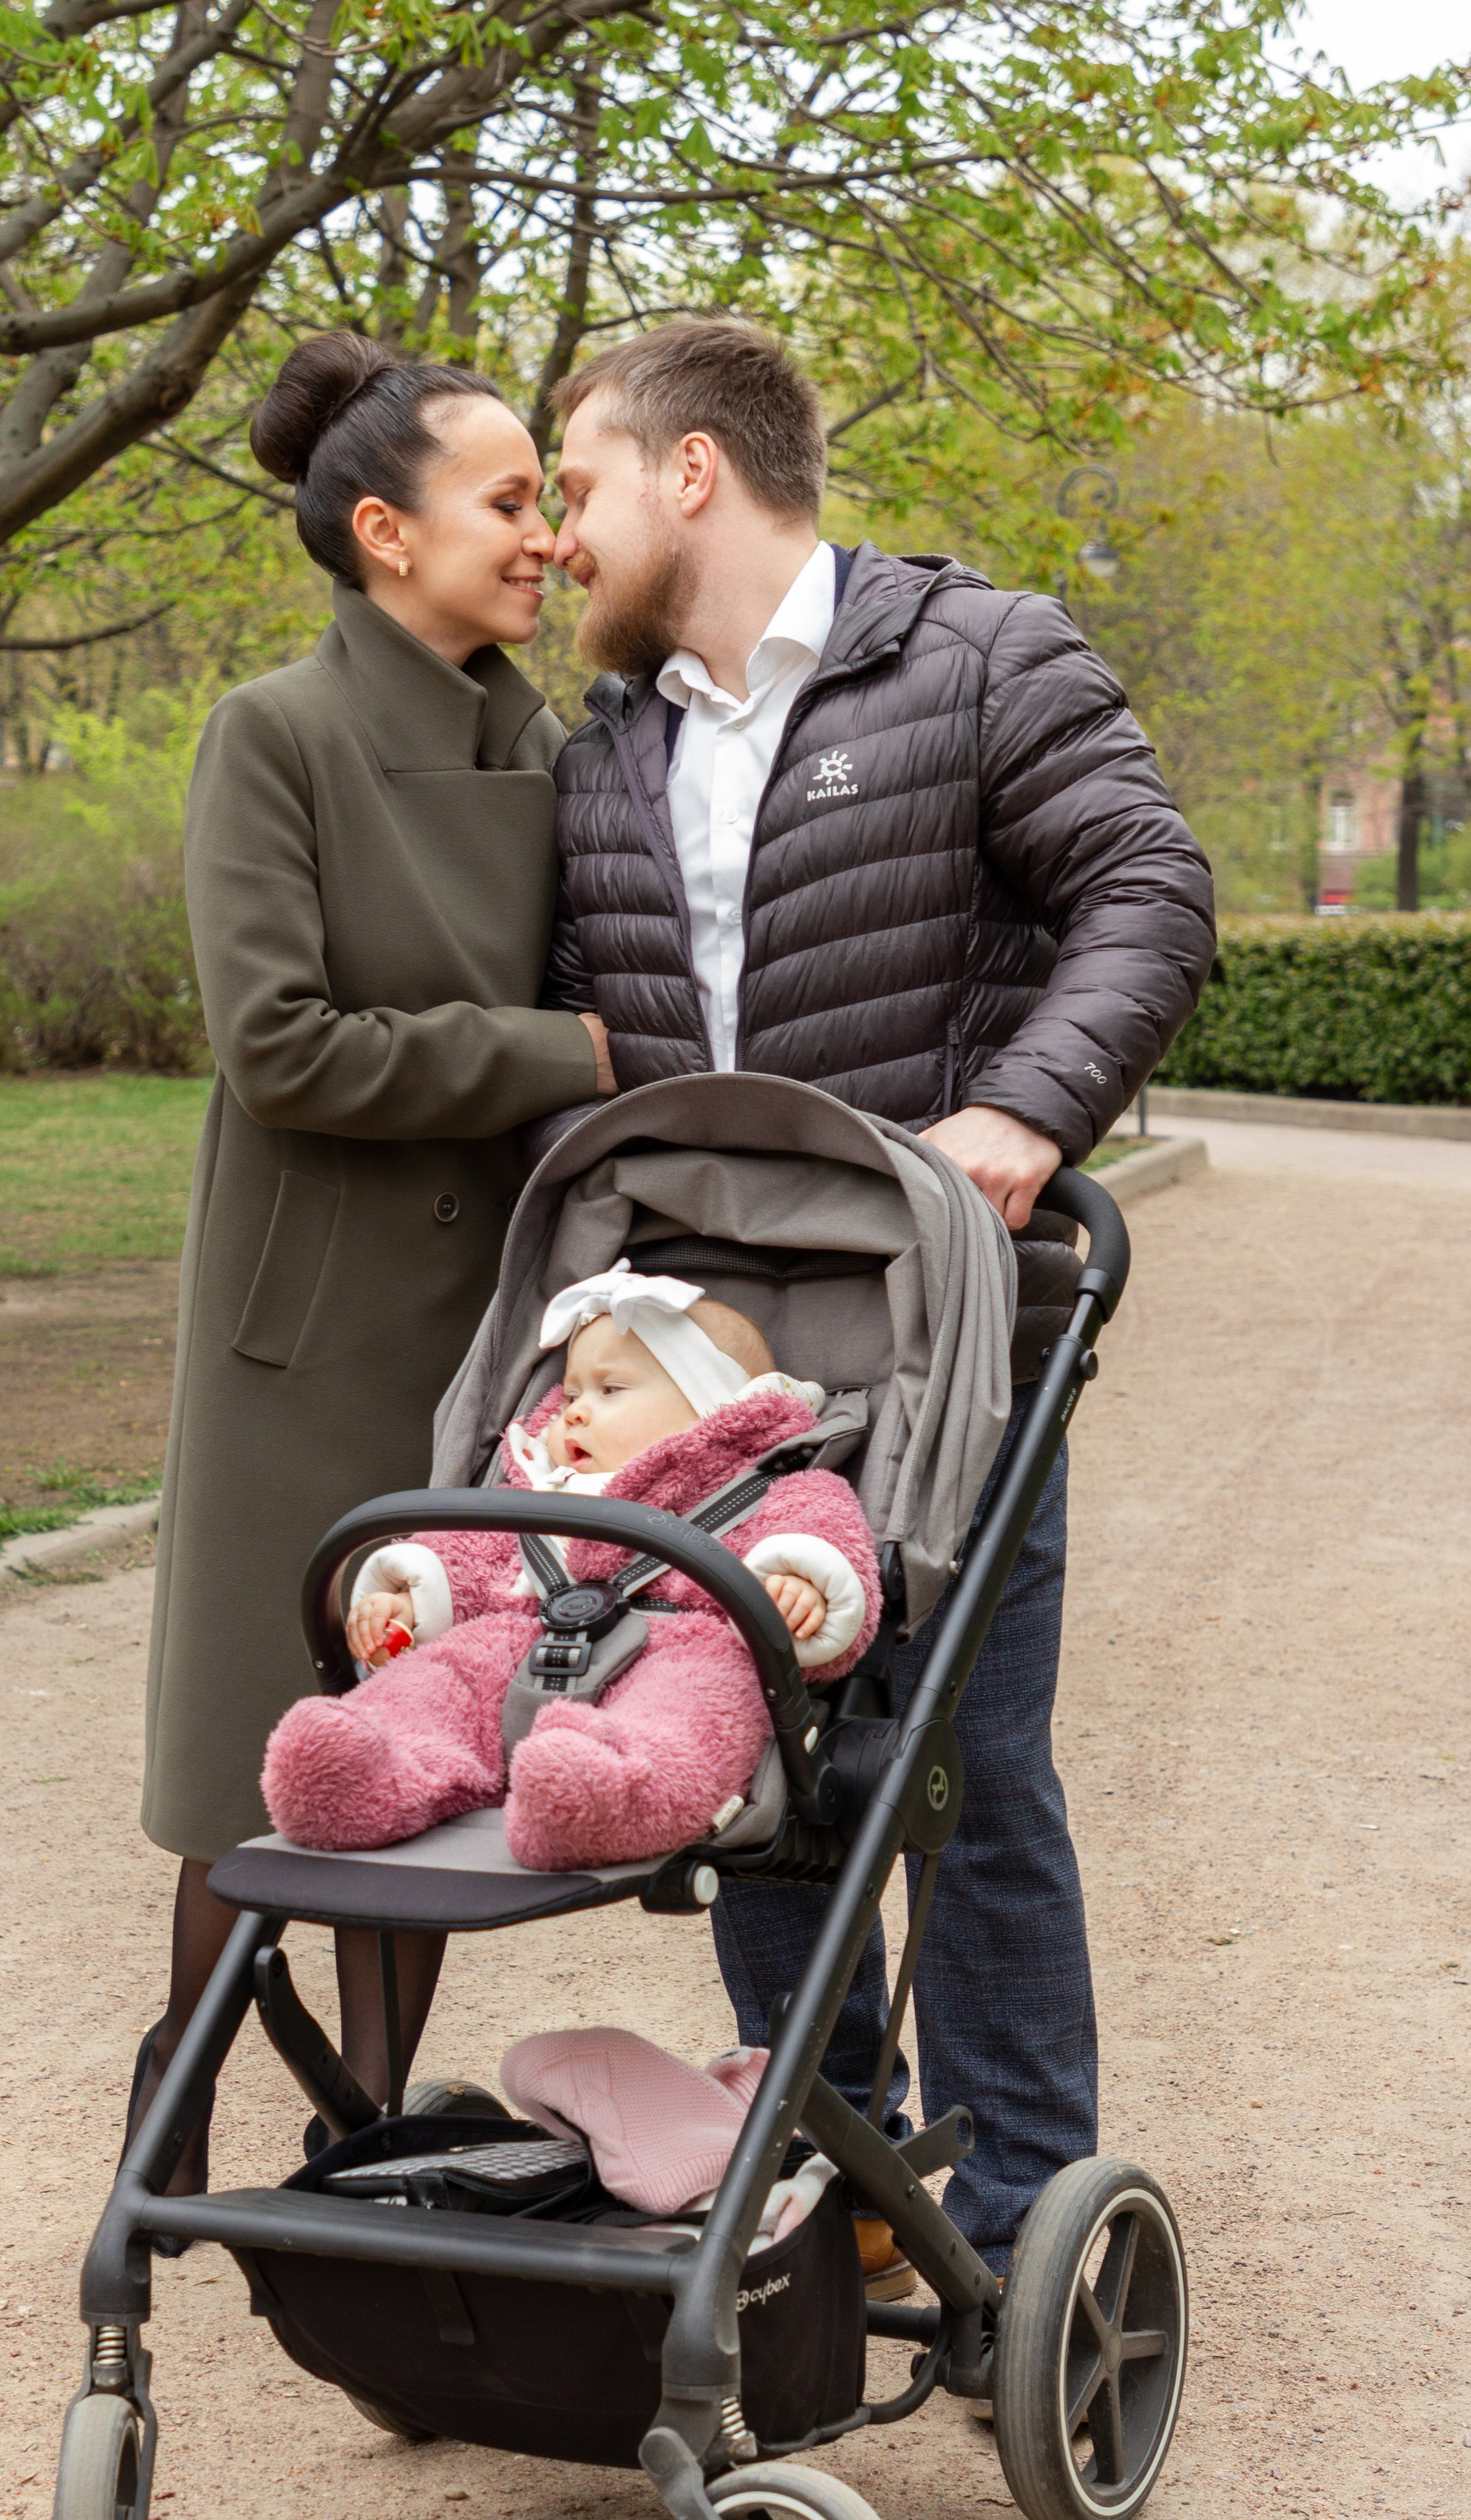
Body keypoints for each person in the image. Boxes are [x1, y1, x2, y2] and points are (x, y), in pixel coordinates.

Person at [543, 317, 1216, 2281]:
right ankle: (820, 2170)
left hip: (949, 1334)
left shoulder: (976, 658)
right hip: (718, 1367)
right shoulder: (615, 754)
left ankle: (1019, 2223)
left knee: (969, 1772)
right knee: (762, 1766)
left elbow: (1147, 893)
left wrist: (1022, 1111)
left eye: (579, 483)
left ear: (689, 473)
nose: (566, 536)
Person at [129, 332, 614, 2210]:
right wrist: (551, 1051)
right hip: (308, 1339)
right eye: (509, 504)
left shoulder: (553, 750)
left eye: (546, 504)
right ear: (382, 533)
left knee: (408, 1766)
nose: (548, 541)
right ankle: (166, 2121)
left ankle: (373, 2149)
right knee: (249, 1764)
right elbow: (282, 1047)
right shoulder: (276, 733)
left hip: (484, 1343)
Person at [259, 1268, 880, 1866]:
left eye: (611, 1390)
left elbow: (820, 1528)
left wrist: (802, 1585)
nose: (575, 1411)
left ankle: (608, 1792)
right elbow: (469, 1557)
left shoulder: (761, 1487)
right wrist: (410, 1600)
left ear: (713, 1409)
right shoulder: (536, 1487)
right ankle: (362, 1768)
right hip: (518, 1642)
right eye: (574, 1393)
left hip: (678, 1644)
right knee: (443, 1676)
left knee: (701, 1693)